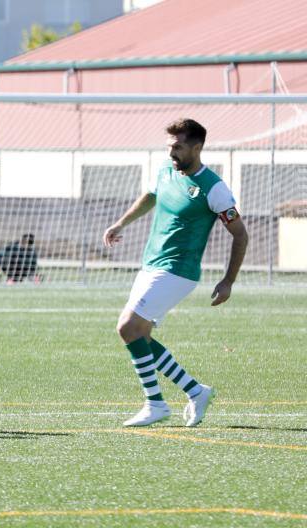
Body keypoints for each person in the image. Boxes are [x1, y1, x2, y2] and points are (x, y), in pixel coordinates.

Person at [103, 118, 248, 428]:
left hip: (178, 271)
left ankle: (155, 404)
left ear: (197, 148)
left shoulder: (214, 188)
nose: (171, 152)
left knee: (127, 327)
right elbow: (151, 196)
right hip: (151, 264)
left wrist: (228, 281)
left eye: (178, 146)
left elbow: (240, 235)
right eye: (169, 146)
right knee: (139, 335)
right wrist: (120, 223)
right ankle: (196, 391)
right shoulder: (167, 172)